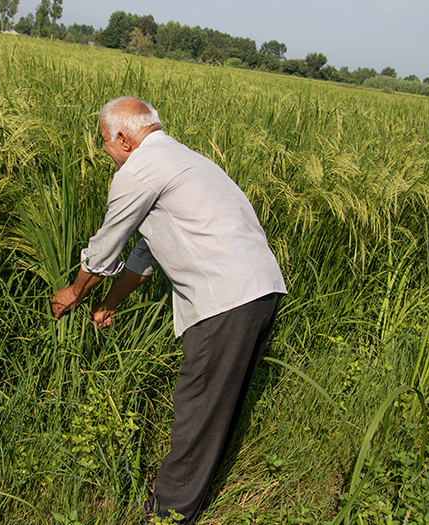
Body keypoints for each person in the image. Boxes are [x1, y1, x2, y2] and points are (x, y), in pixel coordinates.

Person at [51, 97, 287, 524]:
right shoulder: (185, 159)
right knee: (217, 409)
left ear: (123, 138)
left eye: (105, 145)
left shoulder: (139, 169)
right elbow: (146, 254)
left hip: (225, 298)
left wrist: (75, 292)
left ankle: (166, 516)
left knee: (197, 410)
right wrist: (110, 303)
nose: (107, 156)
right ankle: (187, 503)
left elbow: (106, 250)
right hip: (262, 290)